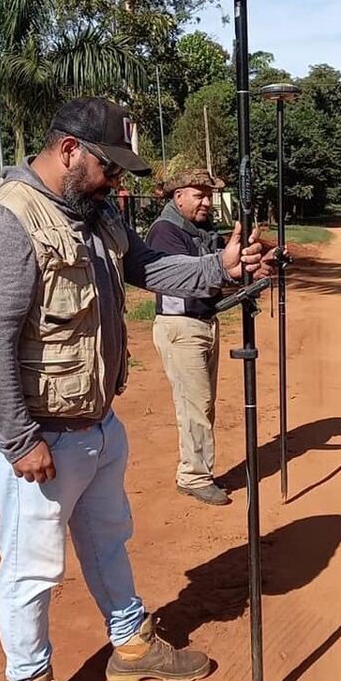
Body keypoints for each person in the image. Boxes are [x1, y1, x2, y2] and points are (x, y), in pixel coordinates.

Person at [0, 98, 268, 681]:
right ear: (69, 150)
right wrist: (17, 439)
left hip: (92, 422)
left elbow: (148, 268)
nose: (117, 182)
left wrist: (219, 268)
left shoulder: (94, 216)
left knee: (107, 539)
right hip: (36, 437)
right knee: (33, 567)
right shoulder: (6, 223)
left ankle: (130, 642)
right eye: (108, 168)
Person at [146, 169, 228, 506]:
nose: (207, 201)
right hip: (181, 325)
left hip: (205, 321)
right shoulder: (165, 231)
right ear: (178, 196)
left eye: (209, 195)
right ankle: (193, 476)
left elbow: (225, 265)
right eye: (199, 194)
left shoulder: (203, 229)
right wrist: (224, 269)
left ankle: (198, 469)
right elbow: (189, 277)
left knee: (204, 404)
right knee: (194, 405)